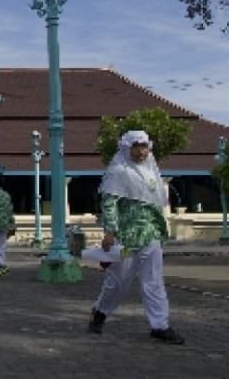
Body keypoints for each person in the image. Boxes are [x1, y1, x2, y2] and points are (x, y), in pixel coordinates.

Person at [87, 130, 184, 345]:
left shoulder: (151, 171)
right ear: (126, 147)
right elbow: (109, 203)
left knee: (154, 281)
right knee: (118, 281)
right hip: (125, 236)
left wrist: (161, 229)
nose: (142, 151)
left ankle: (160, 325)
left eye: (144, 146)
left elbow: (156, 203)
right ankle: (100, 312)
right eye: (137, 146)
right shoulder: (119, 171)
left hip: (150, 234)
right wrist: (110, 231)